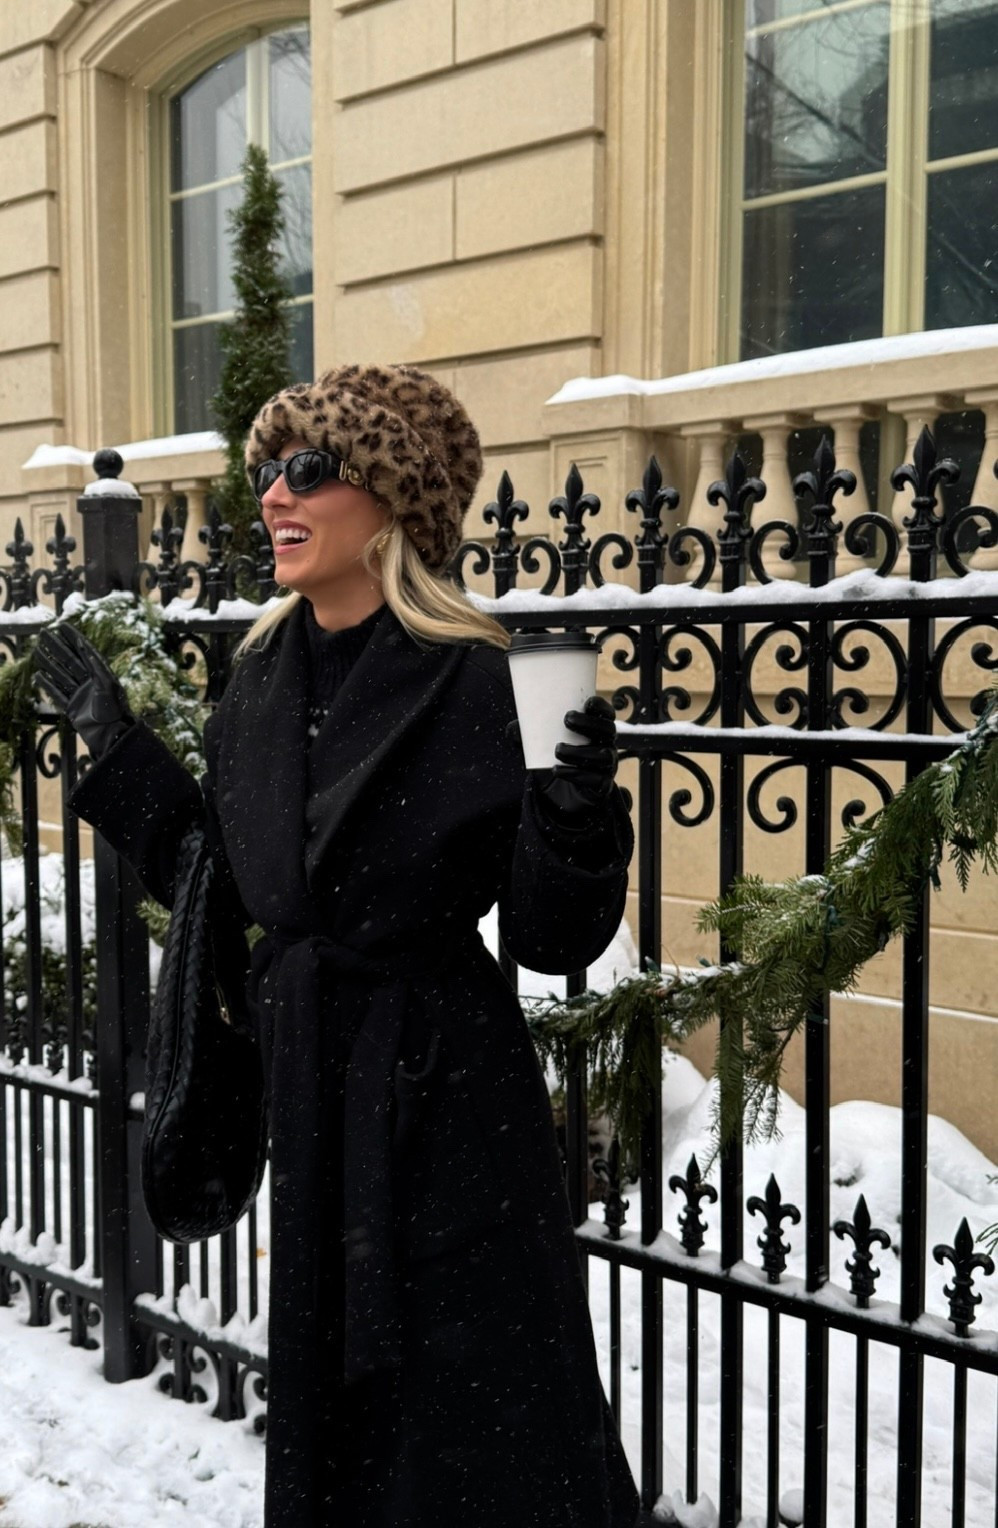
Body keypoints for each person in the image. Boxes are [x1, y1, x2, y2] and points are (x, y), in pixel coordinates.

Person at [35, 363, 640, 1528]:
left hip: (446, 1105)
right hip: (319, 1101)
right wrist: (120, 755)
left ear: (394, 506)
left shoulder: (476, 681)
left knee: (484, 1430)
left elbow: (553, 938)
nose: (272, 493)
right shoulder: (260, 677)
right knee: (346, 1437)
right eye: (266, 470)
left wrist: (571, 813)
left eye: (308, 469)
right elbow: (231, 884)